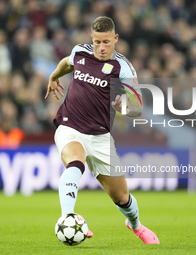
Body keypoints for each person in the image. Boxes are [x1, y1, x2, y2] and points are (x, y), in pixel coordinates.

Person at [45, 16, 160, 244]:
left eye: (106, 42)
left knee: (121, 197)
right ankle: (68, 218)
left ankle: (135, 225)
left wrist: (124, 107)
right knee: (76, 162)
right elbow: (67, 63)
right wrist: (54, 76)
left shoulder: (123, 67)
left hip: (100, 137)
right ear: (91, 38)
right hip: (70, 125)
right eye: (97, 42)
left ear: (115, 39)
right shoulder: (81, 52)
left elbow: (138, 107)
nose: (101, 47)